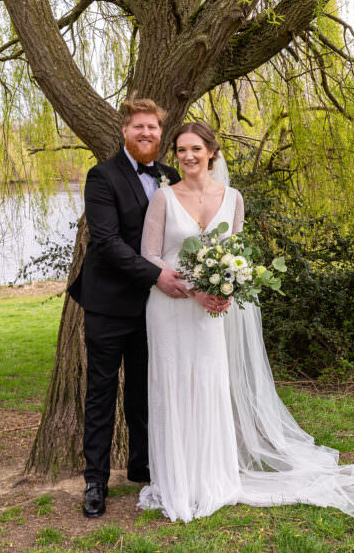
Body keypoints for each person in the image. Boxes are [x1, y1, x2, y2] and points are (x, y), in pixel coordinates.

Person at [137, 122, 354, 523]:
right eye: (182, 150)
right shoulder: (164, 199)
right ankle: (178, 482)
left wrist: (226, 286)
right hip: (170, 305)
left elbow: (235, 255)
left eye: (196, 149)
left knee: (209, 384)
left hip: (210, 311)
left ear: (212, 153)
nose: (188, 156)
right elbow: (149, 255)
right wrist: (191, 287)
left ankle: (211, 478)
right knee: (173, 384)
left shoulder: (233, 198)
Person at [67, 99, 228, 518]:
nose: (146, 134)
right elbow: (107, 241)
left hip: (158, 309)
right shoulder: (102, 177)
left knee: (147, 389)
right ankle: (95, 482)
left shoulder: (172, 175)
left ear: (161, 132)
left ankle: (144, 466)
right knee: (102, 393)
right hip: (108, 303)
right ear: (125, 131)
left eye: (153, 128)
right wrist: (157, 276)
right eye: (138, 127)